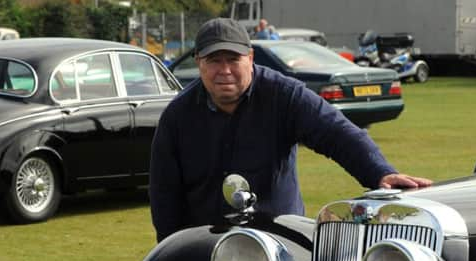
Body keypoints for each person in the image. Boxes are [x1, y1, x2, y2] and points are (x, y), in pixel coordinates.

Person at [149, 18, 431, 242]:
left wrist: (380, 172)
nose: (224, 70)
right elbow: (164, 194)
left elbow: (336, 133)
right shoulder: (177, 116)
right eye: (214, 60)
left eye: (233, 59)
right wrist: (172, 251)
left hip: (278, 244)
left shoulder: (284, 96)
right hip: (207, 246)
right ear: (199, 61)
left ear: (250, 57)